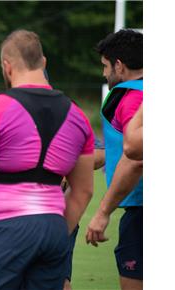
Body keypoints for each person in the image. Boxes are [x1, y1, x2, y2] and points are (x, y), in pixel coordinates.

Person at [0, 29, 95, 290]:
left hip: (4, 229)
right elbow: (84, 190)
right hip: (54, 231)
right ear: (43, 63)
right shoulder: (78, 117)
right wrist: (54, 229)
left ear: (7, 66)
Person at [86, 29, 143, 290]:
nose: (104, 74)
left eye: (105, 66)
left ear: (119, 66)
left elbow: (136, 158)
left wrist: (103, 211)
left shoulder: (131, 97)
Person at [63, 138, 105, 290]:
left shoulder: (68, 117)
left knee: (58, 279)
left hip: (58, 215)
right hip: (7, 216)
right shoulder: (3, 118)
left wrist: (63, 165)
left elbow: (100, 153)